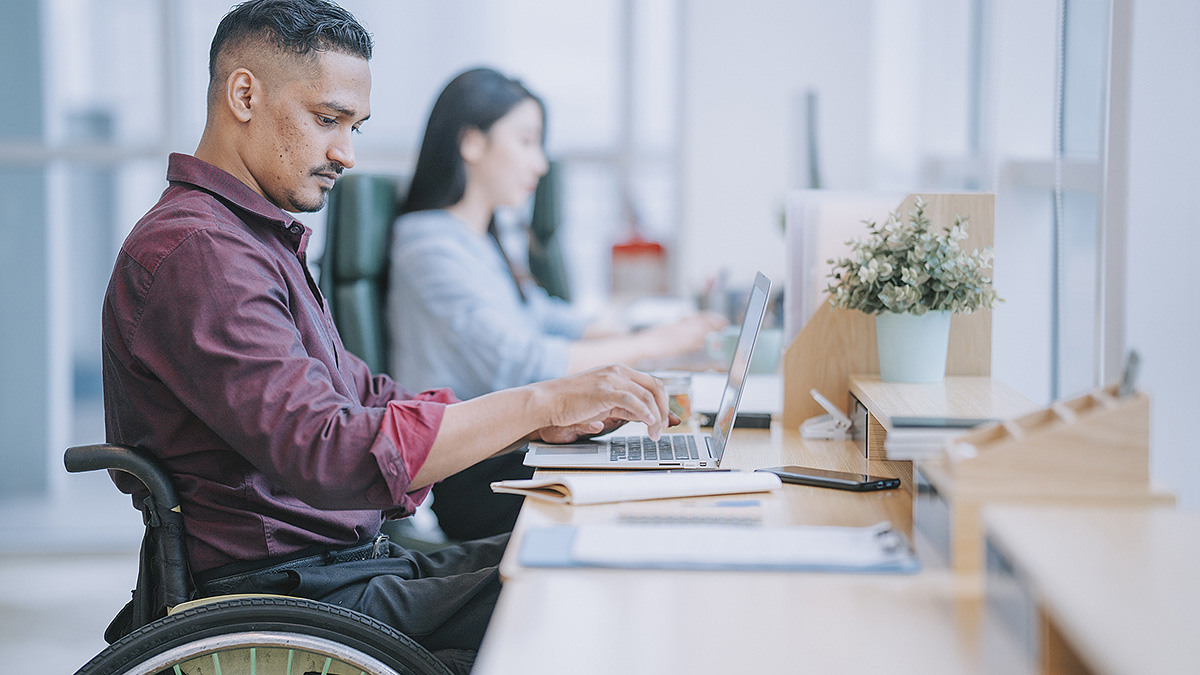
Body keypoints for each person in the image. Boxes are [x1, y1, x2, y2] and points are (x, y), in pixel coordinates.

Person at [101, 3, 669, 673]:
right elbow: (328, 449)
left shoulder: (249, 240)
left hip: (340, 572)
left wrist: (538, 422)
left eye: (355, 127)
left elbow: (361, 391)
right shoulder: (201, 252)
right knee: (583, 589)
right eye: (327, 119)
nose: (346, 152)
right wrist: (538, 404)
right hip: (291, 596)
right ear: (245, 94)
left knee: (588, 550)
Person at [388, 67, 726, 540]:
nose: (540, 163)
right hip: (475, 472)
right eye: (527, 141)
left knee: (668, 478)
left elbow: (542, 315)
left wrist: (652, 338)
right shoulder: (428, 244)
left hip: (516, 444)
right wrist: (655, 342)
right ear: (472, 143)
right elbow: (522, 360)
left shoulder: (482, 237)